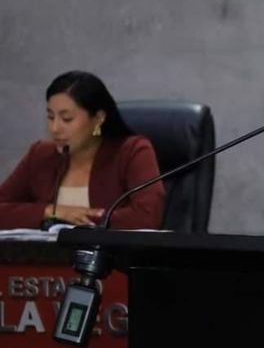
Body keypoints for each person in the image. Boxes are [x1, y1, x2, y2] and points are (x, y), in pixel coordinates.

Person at [0, 71, 165, 230]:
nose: (54, 128)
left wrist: (75, 221)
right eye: (50, 117)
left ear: (99, 118)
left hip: (105, 257)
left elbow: (147, 217)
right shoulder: (40, 154)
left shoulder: (131, 151)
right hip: (42, 257)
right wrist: (50, 211)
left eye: (67, 119)